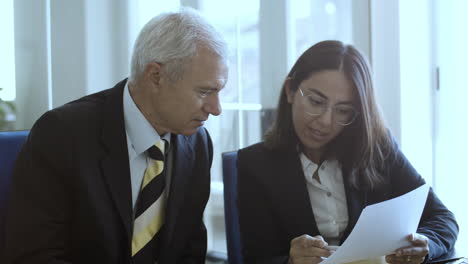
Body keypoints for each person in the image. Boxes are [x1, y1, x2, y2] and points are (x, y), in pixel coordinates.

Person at [2, 8, 228, 264]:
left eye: (219, 92)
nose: (216, 109)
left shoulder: (197, 143)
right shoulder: (62, 134)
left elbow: (190, 249)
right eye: (204, 92)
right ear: (156, 76)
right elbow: (32, 255)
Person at [237, 40, 458, 264]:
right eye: (315, 101)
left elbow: (442, 218)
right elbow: (255, 257)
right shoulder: (254, 165)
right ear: (290, 91)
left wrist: (424, 244)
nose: (325, 121)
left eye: (343, 110)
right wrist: (291, 261)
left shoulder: (378, 148)